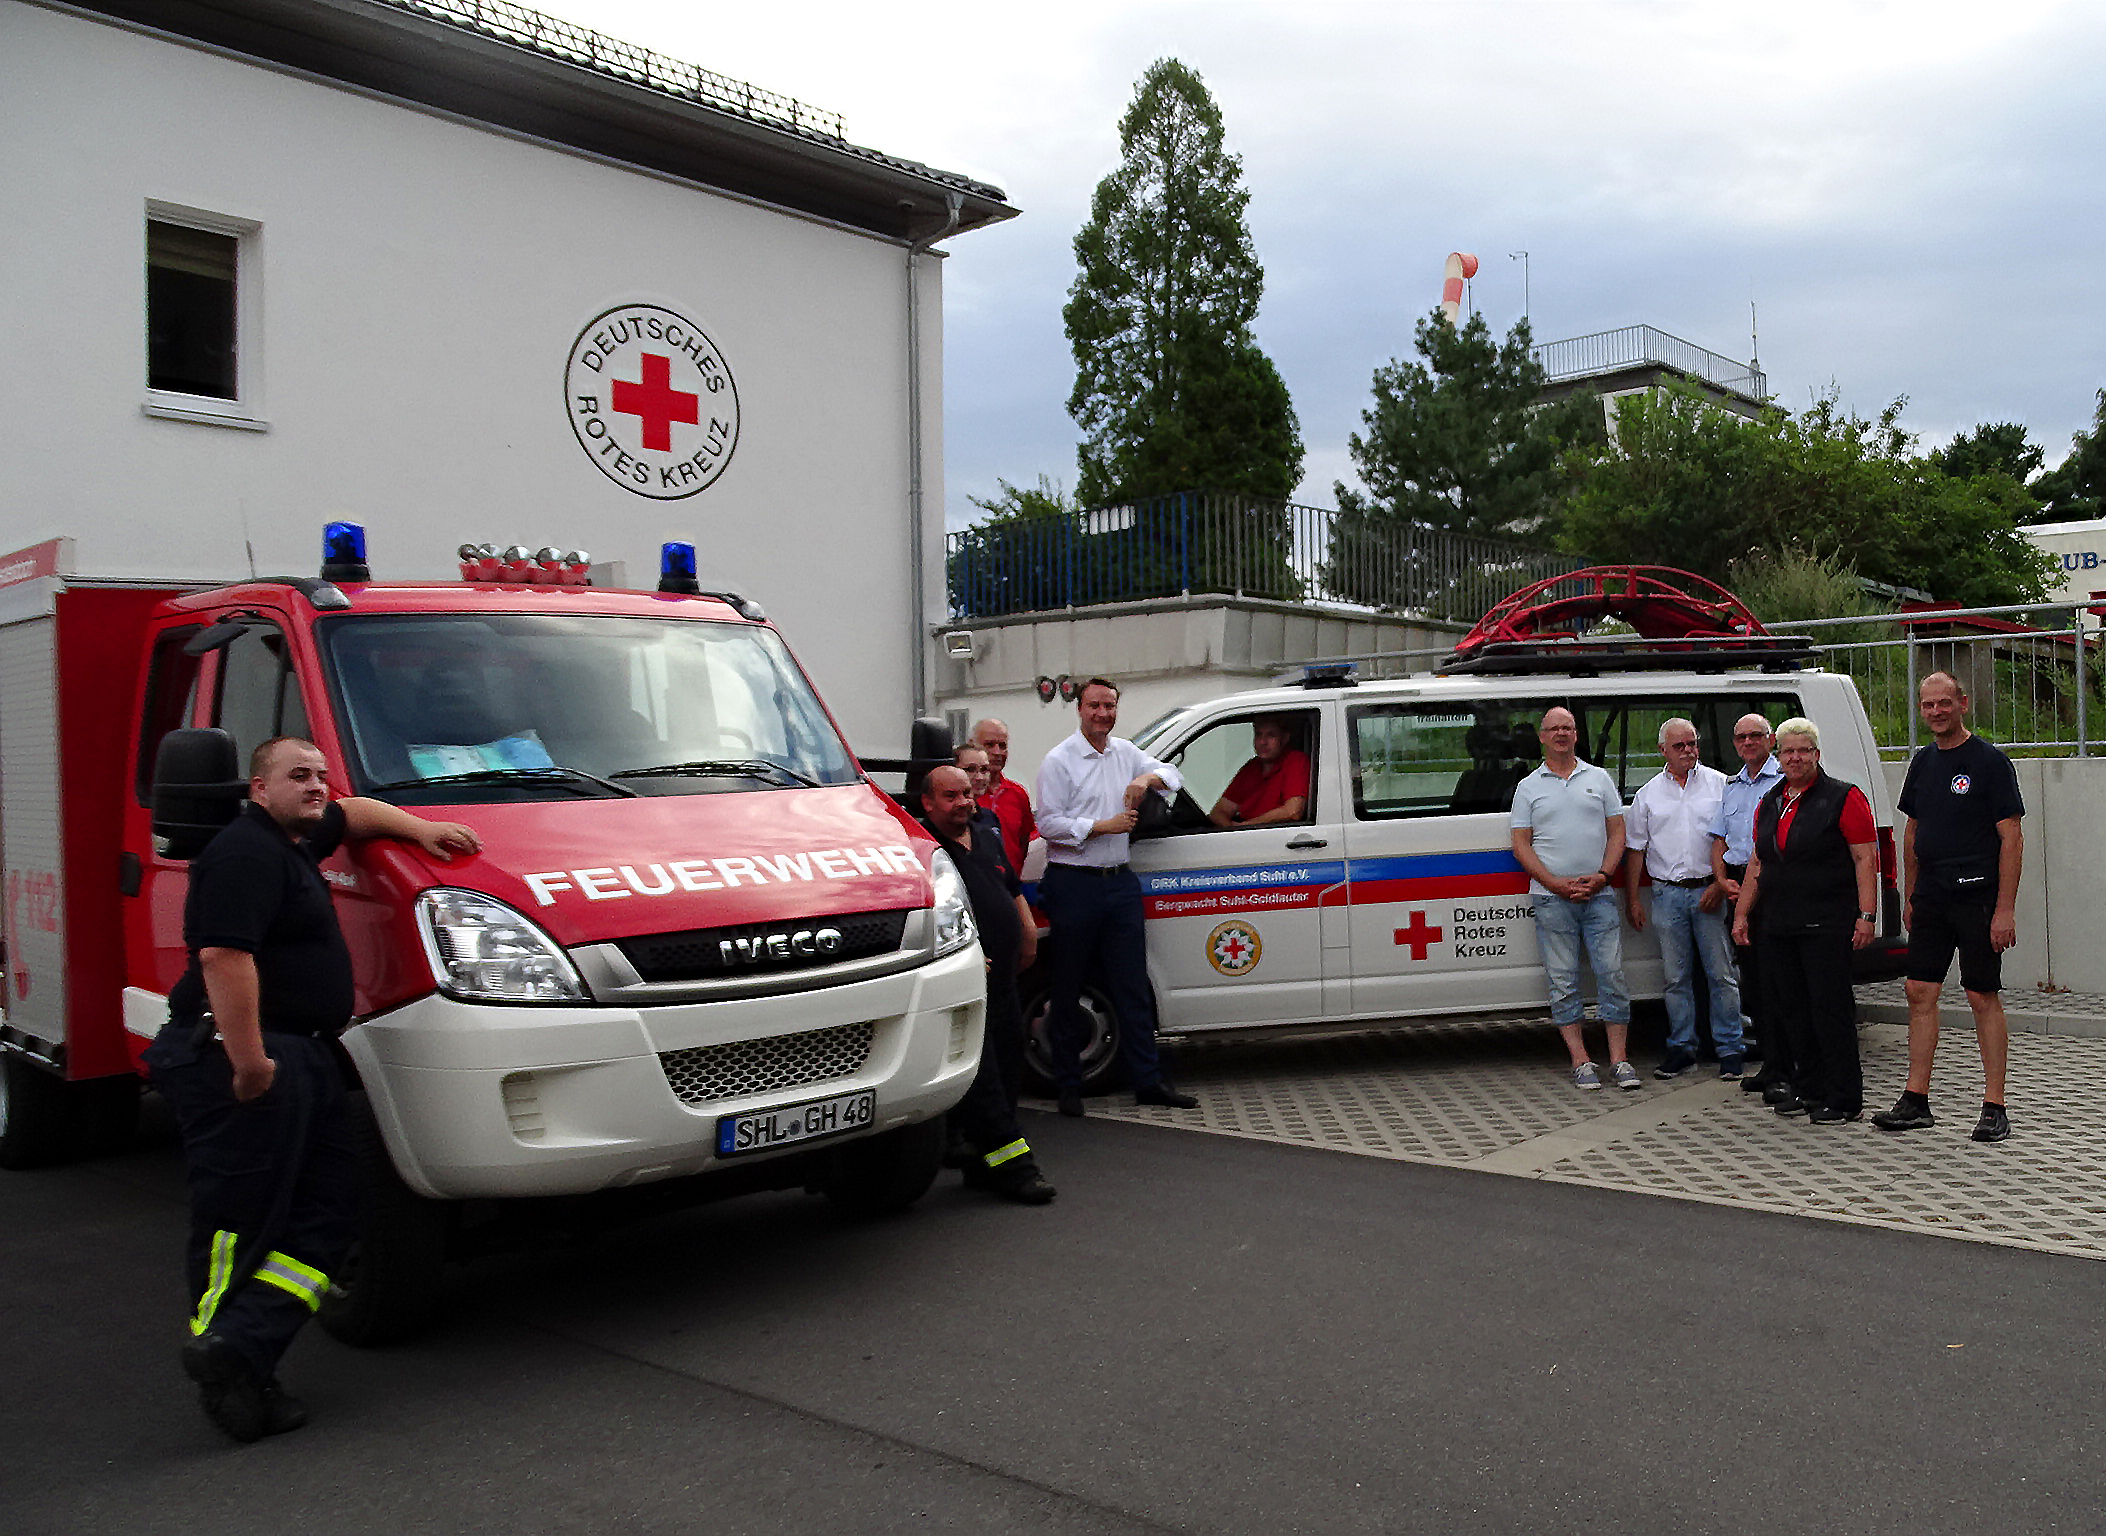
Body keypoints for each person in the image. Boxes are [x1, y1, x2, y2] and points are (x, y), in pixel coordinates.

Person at [143, 737, 479, 1442]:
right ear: (257, 790)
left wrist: (419, 829)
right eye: (298, 776)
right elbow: (223, 957)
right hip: (248, 1056)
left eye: (320, 774)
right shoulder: (243, 853)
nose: (317, 786)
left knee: (331, 1211)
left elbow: (353, 812)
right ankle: (226, 1358)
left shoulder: (293, 839)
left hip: (306, 1054)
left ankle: (240, 1348)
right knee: (242, 1222)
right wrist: (250, 1063)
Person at [1035, 677, 1198, 1116]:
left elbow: (1173, 776)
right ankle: (1069, 1086)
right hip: (1074, 882)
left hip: (1120, 882)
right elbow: (1048, 824)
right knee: (1068, 985)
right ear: (1079, 709)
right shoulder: (1059, 761)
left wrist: (1145, 779)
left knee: (1132, 987)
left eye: (1110, 706)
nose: (1103, 714)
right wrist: (1100, 827)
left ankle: (1148, 1082)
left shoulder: (1125, 752)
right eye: (1095, 706)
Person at [1872, 672, 2025, 1141]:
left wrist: (2004, 910)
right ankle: (1916, 1099)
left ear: (1962, 703)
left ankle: (1994, 1106)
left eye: (1944, 703)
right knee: (1919, 991)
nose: (1936, 712)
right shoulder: (1921, 763)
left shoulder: (1990, 762)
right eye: (1927, 705)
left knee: (1981, 995)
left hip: (1978, 899)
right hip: (1932, 898)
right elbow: (1913, 833)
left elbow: (2011, 839)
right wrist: (1912, 897)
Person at [918, 766, 1056, 1203]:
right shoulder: (922, 850)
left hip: (1006, 982)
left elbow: (1010, 887)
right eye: (950, 796)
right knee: (987, 1078)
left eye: (965, 794)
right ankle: (1017, 1169)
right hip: (966, 983)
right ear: (928, 803)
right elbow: (931, 913)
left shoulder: (986, 834)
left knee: (1012, 1062)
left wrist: (1027, 932)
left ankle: (982, 1160)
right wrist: (968, 956)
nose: (962, 803)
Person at [1731, 718, 1878, 1126]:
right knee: (1792, 1009)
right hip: (1778, 923)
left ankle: (1844, 1097)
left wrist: (1867, 914)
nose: (1795, 758)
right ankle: (1809, 1087)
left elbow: (1866, 858)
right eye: (1788, 751)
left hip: (1826, 921)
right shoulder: (1772, 800)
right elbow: (1758, 861)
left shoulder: (1843, 797)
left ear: (1816, 754)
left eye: (1803, 750)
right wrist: (1743, 913)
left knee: (1829, 1009)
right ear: (1778, 756)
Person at [1509, 706, 1638, 1091]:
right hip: (1551, 898)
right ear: (1543, 737)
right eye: (1554, 728)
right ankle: (1581, 1060)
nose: (1562, 733)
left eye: (1568, 727)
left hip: (1598, 896)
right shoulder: (1528, 786)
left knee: (1612, 975)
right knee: (1563, 980)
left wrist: (1602, 877)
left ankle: (1620, 1060)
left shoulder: (1597, 778)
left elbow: (1618, 833)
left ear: (1576, 735)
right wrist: (1554, 883)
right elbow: (1520, 844)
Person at [1624, 718, 1743, 1079]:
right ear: (1663, 751)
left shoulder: (1721, 785)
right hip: (1667, 894)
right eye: (1680, 746)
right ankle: (1682, 1048)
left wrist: (1721, 884)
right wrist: (1633, 899)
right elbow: (1635, 851)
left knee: (1721, 976)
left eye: (1693, 743)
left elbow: (1734, 840)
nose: (1689, 750)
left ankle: (1731, 1048)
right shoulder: (1648, 795)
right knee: (1676, 978)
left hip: (1710, 891)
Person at [1711, 714, 1787, 1100]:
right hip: (1739, 884)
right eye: (1741, 737)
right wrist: (1721, 877)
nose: (1748, 743)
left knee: (1780, 982)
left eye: (1755, 736)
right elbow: (1718, 839)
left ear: (1770, 739)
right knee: (1753, 983)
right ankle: (1771, 1063)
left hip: (1774, 885)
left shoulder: (1785, 780)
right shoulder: (1732, 786)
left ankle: (1788, 1068)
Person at [1207, 715, 1311, 828]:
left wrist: (1245, 827)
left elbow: (1293, 812)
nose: (1263, 741)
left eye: (1271, 736)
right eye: (1258, 734)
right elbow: (1218, 812)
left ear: (1285, 738)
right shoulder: (1251, 767)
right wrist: (1231, 830)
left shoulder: (1296, 761)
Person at [971, 718, 1038, 883]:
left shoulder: (1018, 794)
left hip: (1010, 889)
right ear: (973, 746)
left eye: (1002, 746)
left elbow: (1024, 842)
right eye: (989, 745)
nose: (997, 752)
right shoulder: (964, 795)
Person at [953, 743, 1008, 854]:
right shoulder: (949, 818)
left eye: (984, 770)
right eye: (970, 769)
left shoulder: (990, 817)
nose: (979, 777)